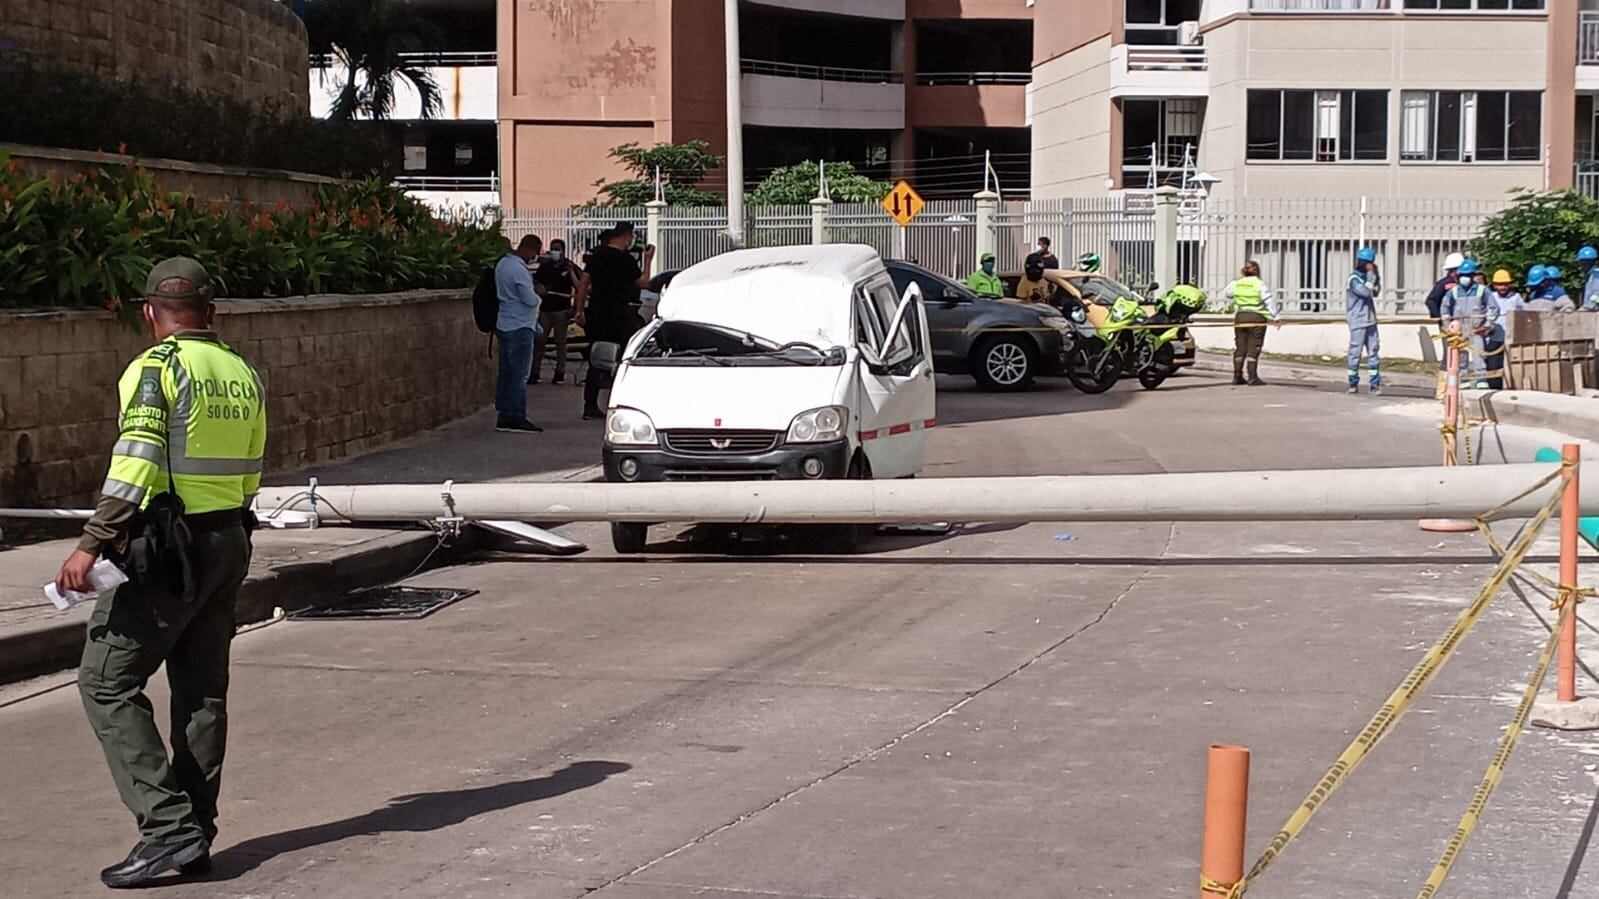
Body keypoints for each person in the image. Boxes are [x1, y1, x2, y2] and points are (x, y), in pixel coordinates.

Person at [59, 257, 265, 888]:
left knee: (105, 681)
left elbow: (138, 458)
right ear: (213, 311)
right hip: (229, 538)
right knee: (202, 690)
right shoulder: (241, 371)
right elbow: (253, 464)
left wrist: (91, 543)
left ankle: (167, 828)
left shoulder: (157, 368)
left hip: (168, 548)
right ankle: (195, 831)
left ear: (149, 313)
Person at [581, 225, 655, 419]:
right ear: (626, 236)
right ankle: (619, 402)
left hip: (597, 311)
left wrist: (578, 308)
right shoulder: (625, 260)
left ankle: (590, 404)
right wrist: (647, 260)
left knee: (596, 358)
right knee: (623, 356)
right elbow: (644, 282)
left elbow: (583, 282)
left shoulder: (597, 256)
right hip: (619, 312)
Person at [494, 235, 543, 433]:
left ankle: (504, 413)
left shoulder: (503, 264)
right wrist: (538, 295)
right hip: (520, 325)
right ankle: (515, 416)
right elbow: (529, 299)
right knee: (519, 375)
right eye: (535, 253)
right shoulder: (517, 269)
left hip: (506, 322)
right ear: (529, 249)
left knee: (506, 373)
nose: (534, 257)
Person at [530, 238, 585, 386]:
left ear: (563, 250)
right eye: (552, 248)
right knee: (540, 343)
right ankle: (535, 373)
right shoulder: (545, 266)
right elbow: (535, 281)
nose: (554, 251)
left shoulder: (570, 267)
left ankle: (559, 373)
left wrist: (571, 272)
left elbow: (580, 286)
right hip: (545, 309)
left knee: (561, 344)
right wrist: (539, 287)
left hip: (562, 311)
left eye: (558, 249)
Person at [1223, 260, 1281, 386]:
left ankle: (1237, 376)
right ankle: (1252, 376)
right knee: (1254, 347)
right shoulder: (1259, 284)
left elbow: (1227, 293)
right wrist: (1276, 317)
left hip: (1241, 317)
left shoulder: (1236, 283)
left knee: (1240, 347)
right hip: (1256, 318)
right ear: (1257, 271)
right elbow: (1268, 301)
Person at [1441, 259, 1497, 389]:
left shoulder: (1482, 291)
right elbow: (1444, 308)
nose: (1464, 278)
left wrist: (1487, 325)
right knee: (1461, 357)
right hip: (1459, 330)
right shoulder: (1454, 292)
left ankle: (1481, 380)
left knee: (1479, 355)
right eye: (1462, 275)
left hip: (1476, 329)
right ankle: (1463, 381)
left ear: (1472, 276)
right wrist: (1448, 326)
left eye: (1467, 275)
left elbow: (1493, 308)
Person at [1345, 246, 1382, 395]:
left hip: (1370, 320)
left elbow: (1376, 292)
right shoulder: (1353, 280)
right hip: (1358, 321)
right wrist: (1371, 276)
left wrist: (1376, 278)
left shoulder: (1368, 277)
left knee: (1373, 352)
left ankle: (1375, 385)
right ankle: (1353, 383)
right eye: (1368, 263)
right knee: (1355, 353)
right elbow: (1366, 292)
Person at [1484, 269, 1522, 390]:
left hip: (1511, 339)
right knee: (1493, 366)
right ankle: (1494, 389)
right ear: (1494, 285)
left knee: (1512, 367)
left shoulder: (1516, 298)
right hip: (1494, 338)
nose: (1503, 287)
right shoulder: (1490, 297)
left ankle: (1511, 388)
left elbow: (1524, 314)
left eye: (1505, 284)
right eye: (1500, 284)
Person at [1580, 246, 1599, 312]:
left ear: (1595, 262)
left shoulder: (1596, 275)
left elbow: (1597, 293)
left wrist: (1588, 306)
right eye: (1582, 263)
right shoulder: (1589, 276)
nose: (1583, 266)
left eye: (1586, 263)